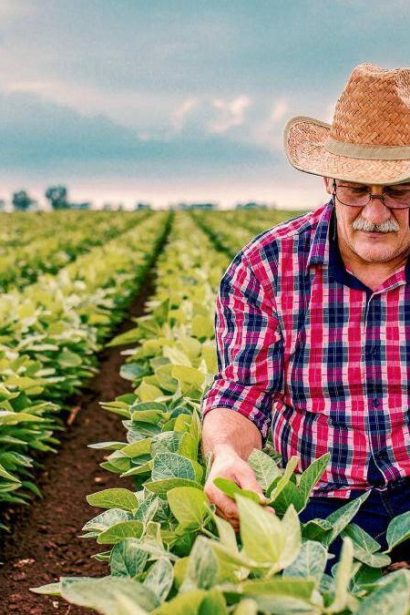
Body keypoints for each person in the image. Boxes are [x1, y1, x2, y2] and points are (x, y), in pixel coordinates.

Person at [201, 63, 410, 562]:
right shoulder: (266, 267)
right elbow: (242, 394)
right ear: (329, 181)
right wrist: (226, 455)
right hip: (317, 503)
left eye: (399, 192)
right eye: (356, 189)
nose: (375, 213)